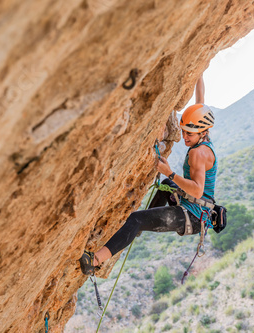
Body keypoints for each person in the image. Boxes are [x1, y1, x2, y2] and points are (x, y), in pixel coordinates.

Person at [79, 76, 217, 275]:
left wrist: (170, 171)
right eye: (184, 131)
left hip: (193, 216)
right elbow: (200, 101)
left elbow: (197, 189)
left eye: (189, 134)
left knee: (135, 219)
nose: (185, 137)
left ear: (202, 132)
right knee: (166, 185)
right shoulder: (203, 133)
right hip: (197, 210)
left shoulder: (198, 153)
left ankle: (95, 260)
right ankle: (142, 226)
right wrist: (200, 73)